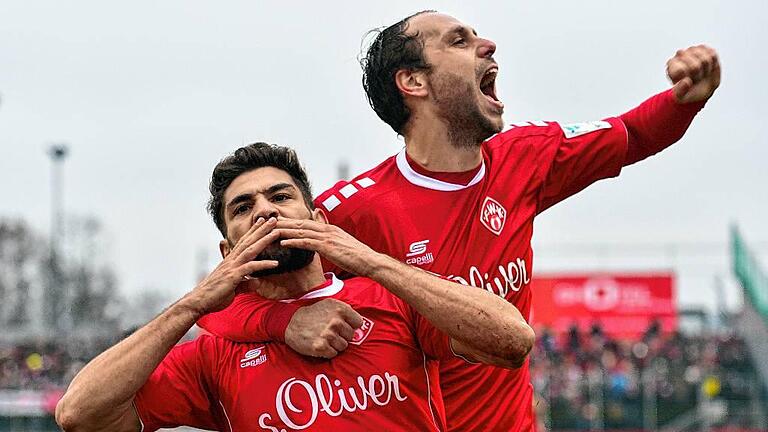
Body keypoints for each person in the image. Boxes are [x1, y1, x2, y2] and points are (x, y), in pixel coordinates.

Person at [198, 10, 720, 431]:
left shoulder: (526, 157)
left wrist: (683, 101)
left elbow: (632, 134)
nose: (487, 44)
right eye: (459, 40)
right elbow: (224, 300)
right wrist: (283, 320)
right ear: (413, 81)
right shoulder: (353, 208)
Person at [54, 143, 534, 432]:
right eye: (243, 208)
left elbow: (512, 341)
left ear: (318, 219)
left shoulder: (389, 299)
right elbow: (79, 414)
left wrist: (368, 260)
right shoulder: (213, 353)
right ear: (228, 251)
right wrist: (196, 302)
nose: (265, 210)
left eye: (281, 196)